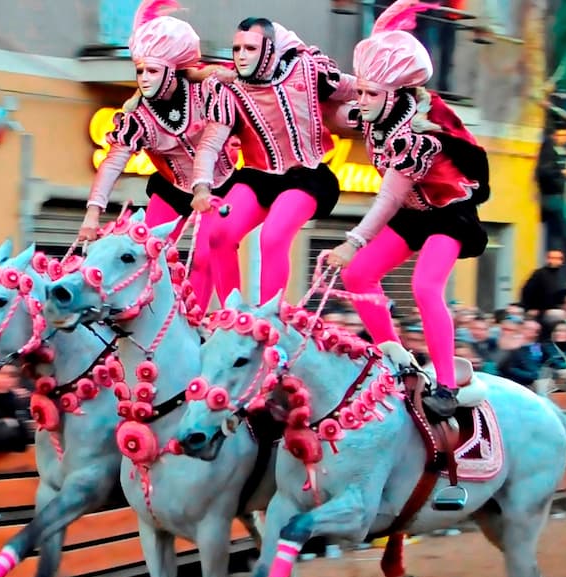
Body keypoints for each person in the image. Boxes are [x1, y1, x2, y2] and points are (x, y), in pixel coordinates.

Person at [326, 0, 491, 423]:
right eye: (361, 92)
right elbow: (342, 94)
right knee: (358, 275)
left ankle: (448, 387)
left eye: (370, 94)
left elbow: (388, 198)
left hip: (447, 213)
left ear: (396, 93)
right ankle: (394, 357)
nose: (361, 100)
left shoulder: (416, 135)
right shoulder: (379, 109)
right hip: (415, 214)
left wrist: (351, 242)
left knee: (424, 286)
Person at [80, 0, 237, 304]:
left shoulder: (206, 92)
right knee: (148, 252)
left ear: (173, 70)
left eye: (153, 70)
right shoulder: (136, 117)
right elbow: (112, 163)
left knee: (206, 255)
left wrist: (212, 75)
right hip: (172, 187)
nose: (144, 78)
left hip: (220, 187)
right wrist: (91, 214)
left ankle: (200, 320)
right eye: (140, 71)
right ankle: (150, 317)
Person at [189, 16, 355, 303]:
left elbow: (358, 89)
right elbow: (210, 143)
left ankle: (271, 315)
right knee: (219, 235)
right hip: (258, 175)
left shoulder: (307, 70)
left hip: (308, 176)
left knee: (273, 236)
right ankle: (235, 314)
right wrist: (201, 187)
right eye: (237, 49)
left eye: (250, 49)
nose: (241, 56)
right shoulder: (229, 89)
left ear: (269, 48)